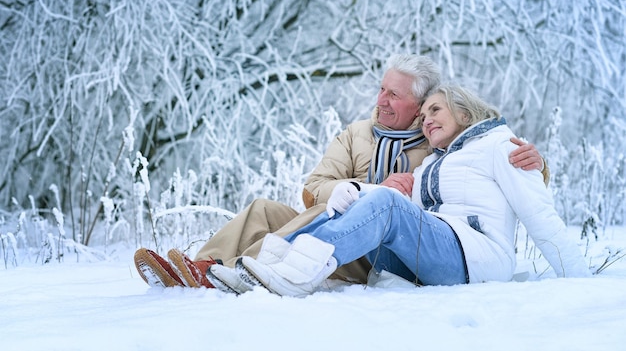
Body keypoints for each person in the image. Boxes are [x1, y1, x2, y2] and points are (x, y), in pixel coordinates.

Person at [134, 55, 547, 289]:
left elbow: (489, 168)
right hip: (337, 232)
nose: (381, 99)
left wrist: (539, 164)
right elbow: (313, 189)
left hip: (383, 251)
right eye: (381, 88)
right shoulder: (357, 134)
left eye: (394, 94)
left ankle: (239, 271)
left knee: (330, 211)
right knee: (266, 210)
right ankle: (197, 268)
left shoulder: (438, 141)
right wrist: (367, 189)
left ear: (419, 105)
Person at [207, 83, 590, 297]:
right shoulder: (427, 166)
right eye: (423, 117)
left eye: (436, 110)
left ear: (465, 113)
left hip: (475, 256)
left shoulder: (500, 145)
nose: (427, 121)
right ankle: (270, 269)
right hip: (422, 261)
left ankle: (292, 274)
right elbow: (389, 213)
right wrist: (353, 189)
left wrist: (580, 284)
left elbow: (540, 215)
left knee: (385, 201)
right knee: (372, 199)